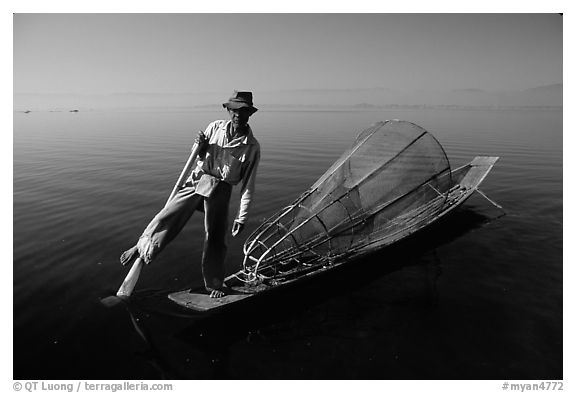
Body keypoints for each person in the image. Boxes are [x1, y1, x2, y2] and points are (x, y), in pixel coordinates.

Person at [120, 91, 261, 298]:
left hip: (220, 191)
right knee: (167, 215)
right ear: (229, 111)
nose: (238, 114)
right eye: (234, 110)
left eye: (243, 111)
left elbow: (249, 184)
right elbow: (198, 156)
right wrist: (200, 146)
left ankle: (214, 284)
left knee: (215, 238)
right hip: (199, 180)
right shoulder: (215, 127)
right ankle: (142, 247)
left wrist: (242, 216)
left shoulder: (252, 147)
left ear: (249, 114)